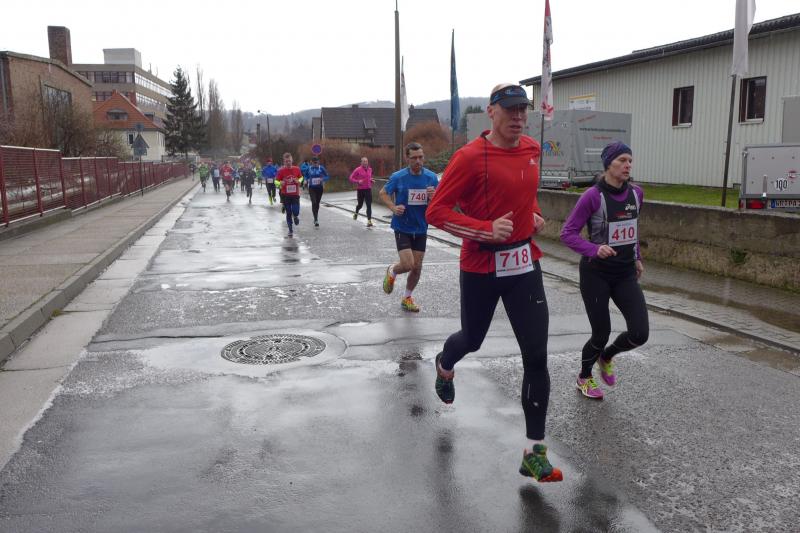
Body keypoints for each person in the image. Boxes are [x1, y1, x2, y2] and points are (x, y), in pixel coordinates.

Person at [426, 83, 562, 483]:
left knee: (536, 356)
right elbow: (437, 212)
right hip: (481, 265)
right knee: (472, 339)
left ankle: (534, 452)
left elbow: (524, 193)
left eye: (523, 109)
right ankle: (445, 364)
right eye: (510, 109)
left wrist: (534, 214)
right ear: (491, 112)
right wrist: (485, 230)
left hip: (523, 263)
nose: (518, 116)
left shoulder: (531, 150)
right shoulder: (470, 158)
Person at [560, 141, 648, 400]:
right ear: (609, 164)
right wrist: (593, 249)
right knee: (601, 333)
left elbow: (632, 229)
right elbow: (567, 233)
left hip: (625, 273)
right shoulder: (592, 196)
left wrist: (637, 257)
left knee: (640, 333)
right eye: (622, 160)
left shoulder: (637, 194)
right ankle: (584, 377)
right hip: (595, 273)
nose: (627, 165)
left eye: (630, 160)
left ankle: (607, 356)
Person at [379, 142, 438, 312]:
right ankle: (392, 270)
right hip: (403, 226)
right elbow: (383, 193)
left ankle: (407, 297)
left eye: (421, 157)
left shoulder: (431, 178)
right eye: (414, 158)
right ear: (407, 158)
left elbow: (439, 202)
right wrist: (393, 207)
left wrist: (433, 197)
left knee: (417, 267)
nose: (418, 161)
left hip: (421, 227)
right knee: (408, 264)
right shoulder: (398, 177)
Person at [276, 152, 303, 236]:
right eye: (286, 161)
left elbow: (301, 178)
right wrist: (280, 183)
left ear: (292, 160)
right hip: (285, 195)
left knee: (296, 211)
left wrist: (298, 181)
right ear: (284, 162)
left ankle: (295, 216)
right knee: (288, 212)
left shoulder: (297, 169)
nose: (288, 163)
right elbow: (276, 181)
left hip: (295, 194)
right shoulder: (281, 171)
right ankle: (290, 230)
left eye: (289, 161)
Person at [349, 157, 374, 227]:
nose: (365, 163)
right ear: (361, 162)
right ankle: (356, 212)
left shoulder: (370, 169)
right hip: (360, 190)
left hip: (368, 189)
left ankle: (369, 221)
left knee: (369, 205)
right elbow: (351, 178)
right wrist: (358, 181)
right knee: (360, 205)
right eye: (364, 161)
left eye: (366, 161)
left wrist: (371, 180)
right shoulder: (357, 169)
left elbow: (368, 178)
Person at [306, 157, 330, 227]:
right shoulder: (309, 168)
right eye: (314, 163)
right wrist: (306, 180)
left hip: (319, 188)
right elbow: (305, 176)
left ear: (318, 162)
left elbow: (327, 176)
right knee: (314, 202)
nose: (315, 164)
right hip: (311, 188)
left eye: (316, 162)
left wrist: (323, 179)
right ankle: (316, 219)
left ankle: (316, 216)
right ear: (311, 162)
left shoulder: (321, 168)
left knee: (317, 203)